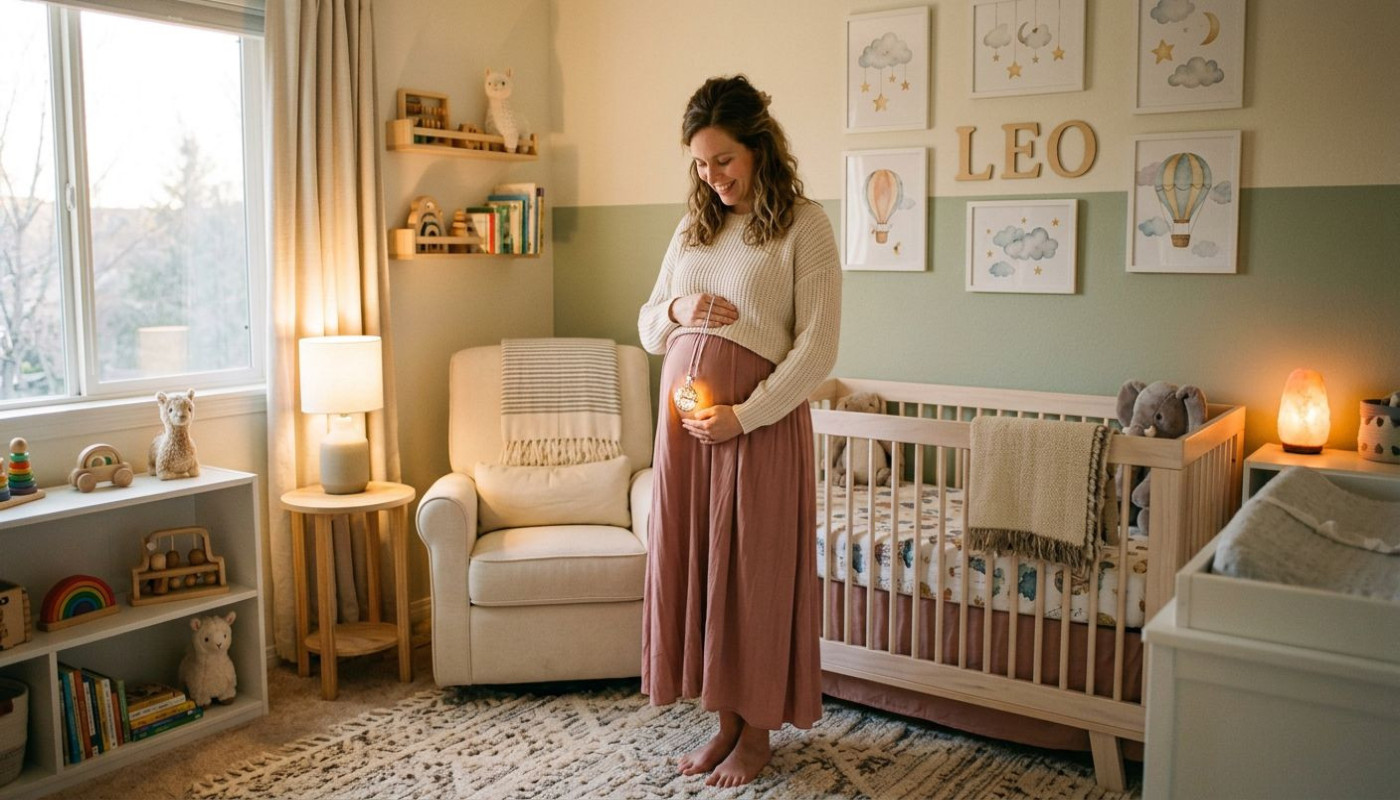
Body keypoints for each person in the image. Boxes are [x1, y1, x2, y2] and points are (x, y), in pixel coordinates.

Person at [637, 74, 842, 789]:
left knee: (751, 576)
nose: (712, 175)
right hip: (688, 439)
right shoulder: (692, 227)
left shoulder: (803, 225)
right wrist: (680, 306)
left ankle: (755, 734)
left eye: (723, 159)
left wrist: (742, 416)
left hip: (758, 430)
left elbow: (817, 349)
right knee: (701, 573)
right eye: (700, 162)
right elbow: (647, 324)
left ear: (759, 146)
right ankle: (722, 724)